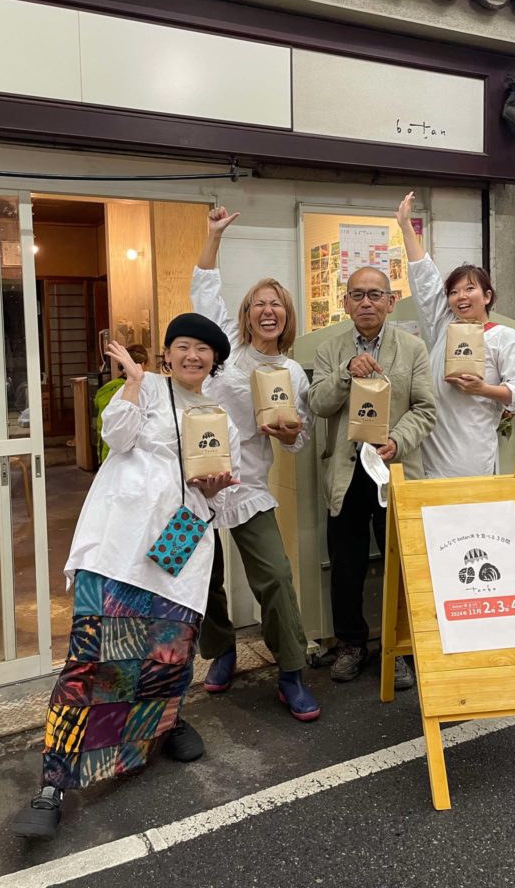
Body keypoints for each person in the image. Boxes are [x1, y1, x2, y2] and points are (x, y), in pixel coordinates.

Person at [12, 314, 240, 840]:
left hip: (180, 545)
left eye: (203, 350)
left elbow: (221, 501)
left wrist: (215, 490)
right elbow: (115, 437)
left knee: (167, 656)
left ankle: (165, 723)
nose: (192, 356)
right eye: (183, 346)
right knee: (89, 661)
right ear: (168, 353)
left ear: (214, 361)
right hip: (119, 543)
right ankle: (53, 784)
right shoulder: (145, 388)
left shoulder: (217, 414)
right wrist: (134, 384)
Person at [190, 207, 320, 722]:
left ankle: (290, 672)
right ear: (246, 315)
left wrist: (288, 433)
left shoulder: (292, 371)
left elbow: (298, 441)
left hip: (246, 486)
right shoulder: (225, 353)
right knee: (200, 576)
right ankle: (220, 650)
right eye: (259, 304)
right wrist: (213, 236)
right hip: (195, 485)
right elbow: (205, 292)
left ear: (286, 316)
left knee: (276, 577)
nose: (268, 311)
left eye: (277, 304)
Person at [308, 265, 436, 686]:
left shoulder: (412, 348)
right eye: (358, 295)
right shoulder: (330, 349)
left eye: (375, 294)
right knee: (346, 566)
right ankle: (351, 644)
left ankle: (399, 647)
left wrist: (398, 440)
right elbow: (318, 404)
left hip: (392, 469)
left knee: (401, 564)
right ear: (345, 303)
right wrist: (346, 372)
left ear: (390, 301)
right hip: (346, 474)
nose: (366, 302)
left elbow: (425, 410)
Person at [396, 191, 515, 478]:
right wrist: (405, 227)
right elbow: (425, 281)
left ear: (487, 296)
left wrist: (483, 389)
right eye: (453, 292)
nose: (461, 296)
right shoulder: (444, 327)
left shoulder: (504, 338)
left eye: (469, 289)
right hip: (428, 453)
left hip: (470, 459)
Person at [94, 343, 149, 463]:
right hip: (124, 453)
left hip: (105, 445)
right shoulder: (134, 390)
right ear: (142, 364)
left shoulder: (108, 387)